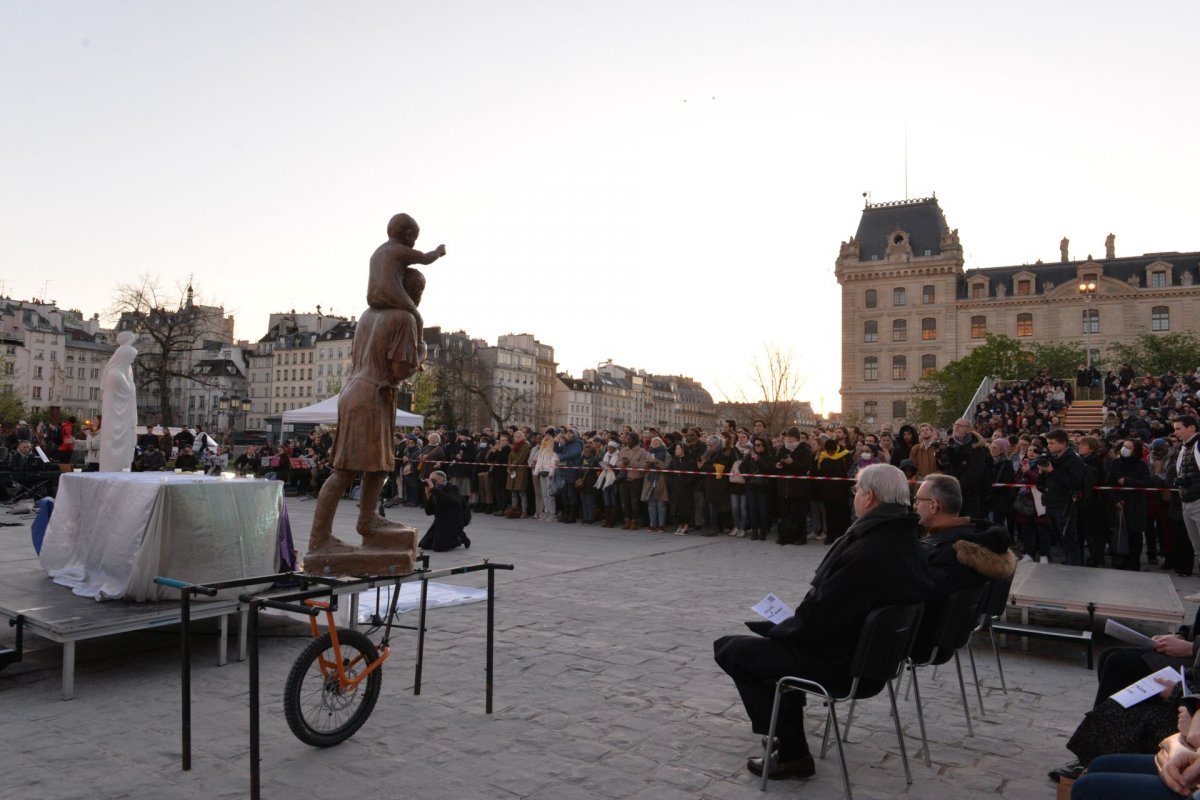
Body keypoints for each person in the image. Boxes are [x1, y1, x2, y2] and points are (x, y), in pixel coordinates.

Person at [713, 464, 932, 781]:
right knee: (760, 649)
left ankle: (792, 752)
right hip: (871, 660)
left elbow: (819, 617)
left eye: (856, 490)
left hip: (840, 663)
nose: (854, 496)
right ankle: (783, 723)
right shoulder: (906, 541)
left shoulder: (870, 550)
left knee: (731, 650)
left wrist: (781, 629)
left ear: (868, 497)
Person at [909, 474, 1015, 664]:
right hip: (953, 639)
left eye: (917, 499)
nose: (914, 505)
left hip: (919, 644)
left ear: (933, 505)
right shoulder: (977, 539)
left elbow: (913, 598)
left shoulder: (944, 553)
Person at [1037, 428, 1087, 565]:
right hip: (1051, 502)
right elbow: (1041, 485)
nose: (1049, 446)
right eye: (1048, 443)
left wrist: (1052, 471)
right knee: (1061, 538)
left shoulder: (1074, 460)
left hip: (1065, 505)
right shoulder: (1053, 458)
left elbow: (1074, 483)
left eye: (1052, 443)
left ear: (1064, 444)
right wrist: (1041, 473)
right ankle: (1070, 565)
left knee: (1069, 538)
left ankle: (1074, 568)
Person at [418, 471, 470, 552]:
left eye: (433, 480)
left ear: (441, 479)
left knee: (438, 548)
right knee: (424, 544)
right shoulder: (436, 490)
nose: (431, 482)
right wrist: (428, 497)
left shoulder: (452, 488)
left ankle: (459, 537)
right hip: (440, 522)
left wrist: (433, 489)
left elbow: (450, 500)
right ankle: (453, 536)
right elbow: (429, 512)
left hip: (452, 522)